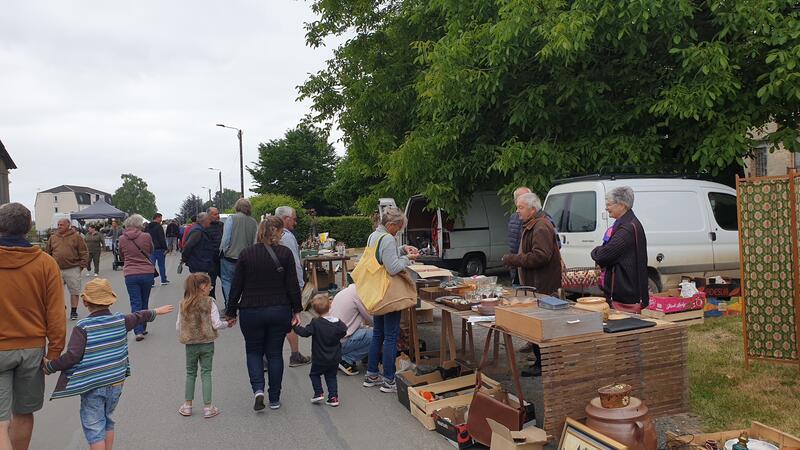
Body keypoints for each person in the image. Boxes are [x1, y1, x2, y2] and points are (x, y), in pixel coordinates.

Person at [44, 278, 174, 450]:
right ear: (110, 301)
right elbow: (139, 316)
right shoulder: (120, 320)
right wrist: (156, 311)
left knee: (94, 426)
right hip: (116, 382)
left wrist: (51, 366)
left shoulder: (83, 326)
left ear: (85, 301)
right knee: (108, 419)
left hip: (93, 385)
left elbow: (72, 356)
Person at [0, 203, 66, 450]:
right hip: (32, 349)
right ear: (28, 228)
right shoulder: (45, 263)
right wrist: (55, 352)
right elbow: (55, 313)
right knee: (24, 413)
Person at [225, 216, 302, 411]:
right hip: (279, 309)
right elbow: (292, 285)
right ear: (278, 233)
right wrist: (297, 309)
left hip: (251, 311)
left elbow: (237, 286)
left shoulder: (246, 254)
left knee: (253, 351)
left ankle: (258, 390)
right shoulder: (285, 254)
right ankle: (274, 397)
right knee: (275, 353)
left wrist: (231, 311)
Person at [502, 192, 562, 377]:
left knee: (542, 327)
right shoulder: (533, 223)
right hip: (537, 285)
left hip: (542, 286)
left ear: (532, 209)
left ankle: (544, 365)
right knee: (538, 326)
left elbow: (541, 256)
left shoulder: (541, 226)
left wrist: (513, 259)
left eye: (520, 207)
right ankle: (541, 362)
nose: (517, 211)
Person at [362, 206, 419, 393]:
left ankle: (371, 374)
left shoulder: (374, 235)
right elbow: (393, 267)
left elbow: (381, 256)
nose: (400, 230)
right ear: (391, 224)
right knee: (391, 336)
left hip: (377, 292)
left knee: (378, 332)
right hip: (389, 294)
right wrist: (408, 258)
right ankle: (388, 380)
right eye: (399, 227)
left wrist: (401, 249)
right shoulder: (387, 238)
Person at [176, 273, 234, 419]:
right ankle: (208, 407)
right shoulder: (210, 302)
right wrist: (227, 324)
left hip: (190, 344)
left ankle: (187, 405)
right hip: (207, 343)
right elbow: (216, 324)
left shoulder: (184, 303)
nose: (211, 288)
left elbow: (178, 326)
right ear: (203, 287)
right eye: (210, 286)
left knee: (190, 373)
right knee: (206, 373)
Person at [591, 186, 649, 314]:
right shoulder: (626, 223)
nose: (606, 208)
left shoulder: (626, 229)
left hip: (626, 295)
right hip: (627, 291)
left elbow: (604, 255)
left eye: (609, 204)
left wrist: (595, 251)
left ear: (622, 205)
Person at [293, 294, 348, 407]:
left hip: (319, 357)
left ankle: (318, 392)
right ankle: (333, 397)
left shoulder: (316, 323)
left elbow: (305, 333)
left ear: (315, 310)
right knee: (331, 376)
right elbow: (344, 331)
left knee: (314, 374)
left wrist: (295, 327)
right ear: (330, 306)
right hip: (334, 357)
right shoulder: (338, 323)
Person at [276, 206, 311, 367]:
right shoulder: (287, 237)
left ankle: (266, 357)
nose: (295, 222)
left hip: (277, 285)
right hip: (288, 286)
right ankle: (295, 355)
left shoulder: (272, 235)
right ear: (285, 219)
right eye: (294, 219)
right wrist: (300, 284)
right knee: (290, 319)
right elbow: (295, 264)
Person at [117, 214, 157, 342]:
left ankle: (138, 330)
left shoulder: (122, 238)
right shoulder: (146, 236)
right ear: (139, 224)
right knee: (144, 300)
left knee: (135, 302)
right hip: (146, 272)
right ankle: (143, 326)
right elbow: (151, 250)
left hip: (130, 273)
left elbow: (121, 255)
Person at [46, 217, 90, 320]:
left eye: (61, 225)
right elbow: (47, 252)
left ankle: (73, 311)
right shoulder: (53, 237)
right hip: (56, 269)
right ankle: (61, 308)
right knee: (55, 292)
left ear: (68, 225)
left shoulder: (76, 237)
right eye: (58, 225)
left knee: (74, 291)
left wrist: (81, 266)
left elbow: (84, 252)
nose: (59, 226)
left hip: (73, 268)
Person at [219, 199, 258, 309]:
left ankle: (230, 305)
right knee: (245, 282)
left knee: (227, 281)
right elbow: (255, 241)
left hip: (230, 257)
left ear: (237, 207)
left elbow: (226, 238)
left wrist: (224, 251)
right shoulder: (253, 222)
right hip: (247, 257)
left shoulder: (232, 219)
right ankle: (245, 304)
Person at [329, 284, 373, 376]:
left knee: (368, 331)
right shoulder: (358, 296)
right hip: (339, 342)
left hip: (330, 343)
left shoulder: (346, 292)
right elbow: (372, 319)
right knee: (376, 336)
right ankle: (346, 359)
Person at [205, 208, 224, 300]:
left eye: (218, 213)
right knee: (211, 284)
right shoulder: (206, 227)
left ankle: (228, 305)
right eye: (215, 214)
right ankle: (211, 305)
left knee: (226, 282)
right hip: (211, 260)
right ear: (209, 216)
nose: (218, 216)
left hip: (222, 258)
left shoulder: (222, 225)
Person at [145, 213, 169, 286]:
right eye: (160, 218)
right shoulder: (159, 227)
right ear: (157, 218)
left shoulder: (147, 227)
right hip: (159, 248)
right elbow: (162, 238)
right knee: (161, 265)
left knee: (151, 265)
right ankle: (163, 280)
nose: (161, 220)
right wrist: (165, 248)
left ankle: (151, 282)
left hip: (150, 249)